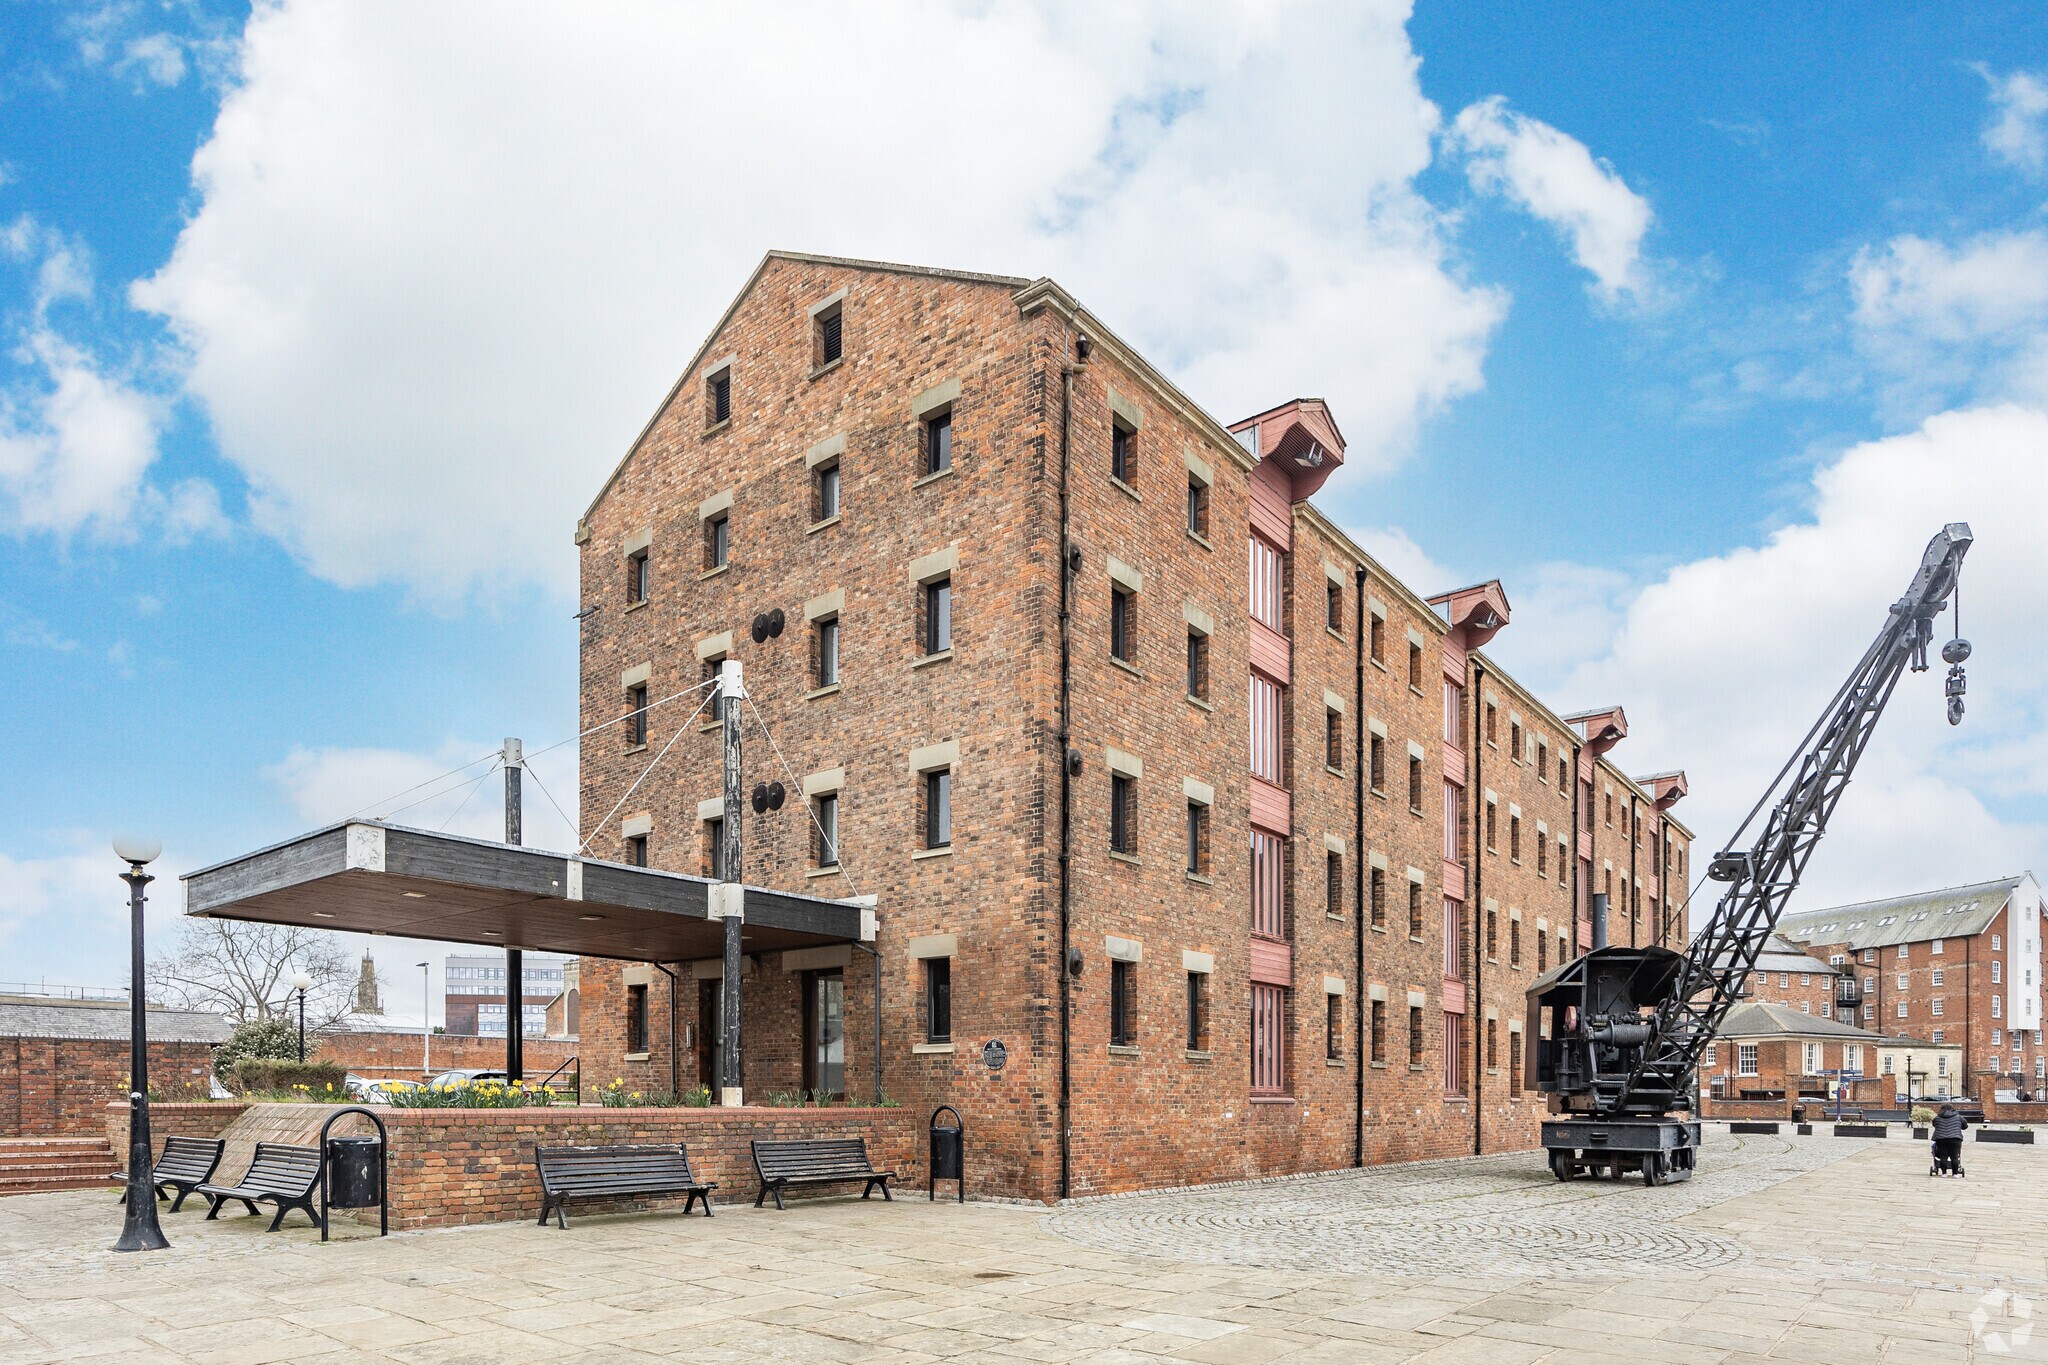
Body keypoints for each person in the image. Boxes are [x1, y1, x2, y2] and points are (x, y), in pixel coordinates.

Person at [1931, 1102, 1967, 1177]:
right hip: (1955, 1138)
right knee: (1954, 1156)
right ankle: (1955, 1174)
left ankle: (1944, 1173)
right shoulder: (1958, 1117)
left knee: (1943, 1156)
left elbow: (1934, 1124)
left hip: (1940, 1139)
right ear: (1952, 1109)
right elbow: (1965, 1126)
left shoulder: (1937, 1117)